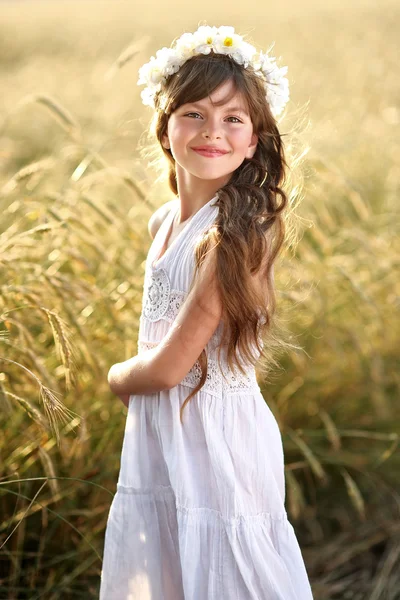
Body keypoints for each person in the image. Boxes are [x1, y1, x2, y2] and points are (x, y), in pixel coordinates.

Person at [99, 25, 314, 600]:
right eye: (193, 113)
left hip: (215, 430)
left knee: (225, 565)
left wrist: (119, 377)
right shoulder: (166, 222)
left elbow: (168, 368)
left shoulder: (233, 237)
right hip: (166, 425)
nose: (212, 131)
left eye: (233, 119)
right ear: (165, 129)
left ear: (254, 142)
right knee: (170, 558)